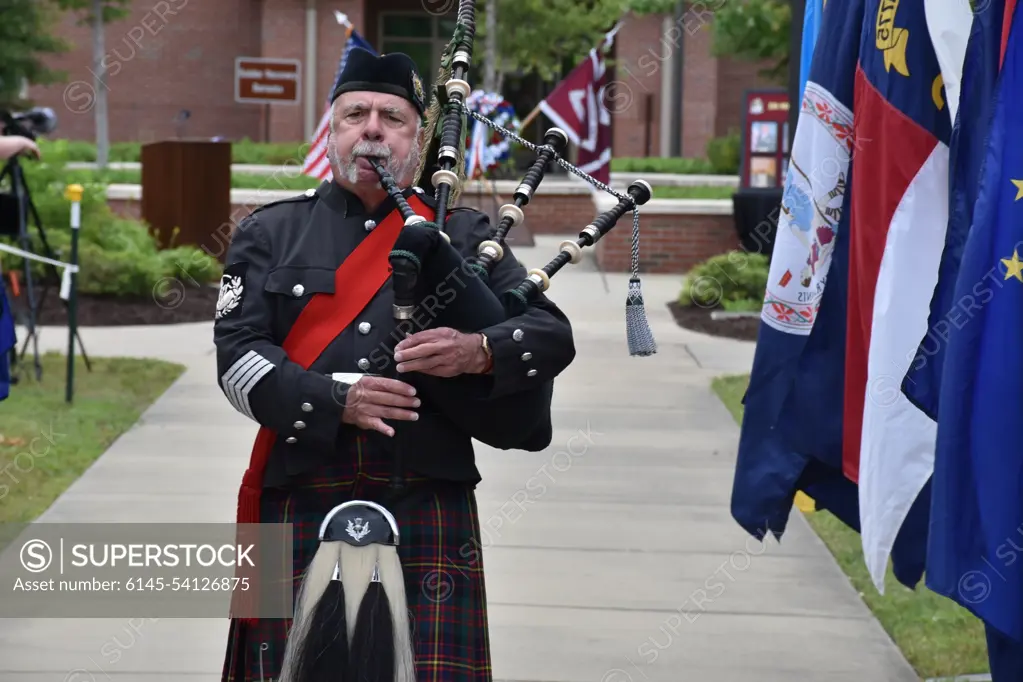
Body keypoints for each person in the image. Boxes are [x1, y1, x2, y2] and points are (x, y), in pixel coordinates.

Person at [215, 47, 576, 681]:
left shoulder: (462, 234)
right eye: (356, 113)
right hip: (302, 482)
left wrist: (478, 352)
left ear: (419, 138)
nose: (373, 128)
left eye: (393, 117)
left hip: (426, 491)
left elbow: (548, 334)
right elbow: (237, 358)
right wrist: (334, 400)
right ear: (332, 130)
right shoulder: (270, 232)